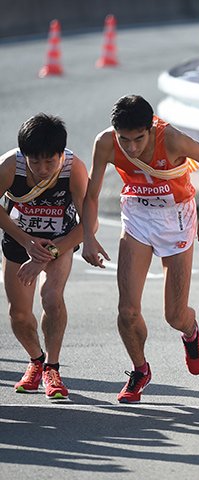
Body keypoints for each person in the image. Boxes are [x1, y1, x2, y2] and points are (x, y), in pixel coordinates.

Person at [82, 94, 199, 403]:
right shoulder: (105, 143)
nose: (131, 147)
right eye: (124, 139)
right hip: (137, 214)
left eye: (138, 139)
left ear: (151, 128)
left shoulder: (171, 139)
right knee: (127, 311)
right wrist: (89, 237)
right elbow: (91, 194)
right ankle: (140, 369)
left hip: (176, 215)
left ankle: (191, 332)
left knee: (174, 315)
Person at [0, 113, 88, 399]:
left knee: (51, 296)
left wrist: (44, 254)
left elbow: (90, 223)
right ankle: (35, 360)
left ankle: (52, 367)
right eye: (34, 161)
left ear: (61, 155)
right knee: (19, 313)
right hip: (20, 237)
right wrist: (26, 242)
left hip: (59, 241)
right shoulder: (10, 165)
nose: (42, 169)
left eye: (49, 161)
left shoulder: (74, 169)